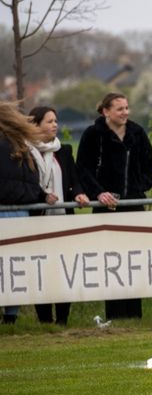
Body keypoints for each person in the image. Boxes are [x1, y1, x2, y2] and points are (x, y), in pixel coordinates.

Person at [76, 93, 152, 320]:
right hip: (105, 209)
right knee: (111, 262)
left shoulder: (137, 133)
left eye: (127, 108)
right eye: (120, 109)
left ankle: (135, 316)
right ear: (106, 111)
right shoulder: (93, 135)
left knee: (134, 261)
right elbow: (82, 170)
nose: (125, 112)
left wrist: (134, 190)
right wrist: (98, 193)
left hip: (133, 208)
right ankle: (114, 316)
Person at [27, 106, 90, 325]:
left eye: (56, 120)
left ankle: (62, 320)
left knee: (64, 272)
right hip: (37, 222)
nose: (55, 125)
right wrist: (42, 196)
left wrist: (80, 193)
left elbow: (74, 180)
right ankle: (45, 322)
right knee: (41, 273)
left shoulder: (63, 151)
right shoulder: (24, 152)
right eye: (49, 121)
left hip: (63, 220)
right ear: (36, 125)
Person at [0, 102, 48, 324]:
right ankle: (11, 317)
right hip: (22, 214)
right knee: (15, 269)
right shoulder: (22, 147)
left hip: (5, 213)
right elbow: (33, 182)